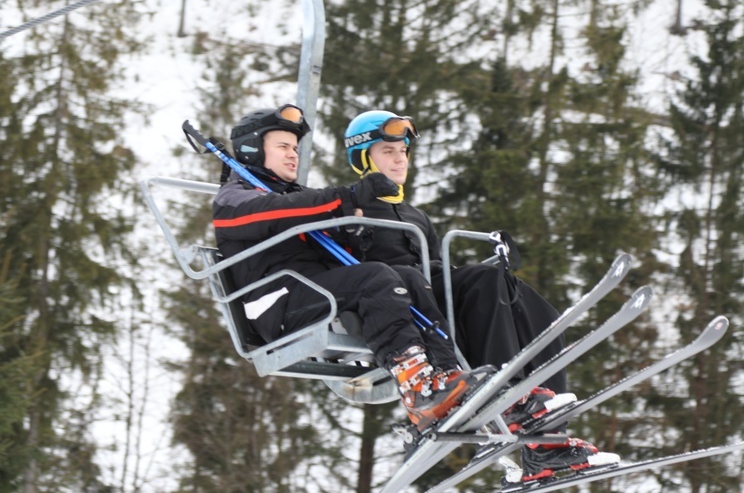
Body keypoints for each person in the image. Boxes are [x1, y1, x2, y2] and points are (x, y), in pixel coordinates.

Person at [341, 110, 620, 482]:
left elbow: (436, 266)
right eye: (388, 151)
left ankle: (548, 442)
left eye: (403, 152)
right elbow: (354, 273)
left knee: (529, 303)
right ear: (364, 158)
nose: (399, 159)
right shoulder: (349, 208)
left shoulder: (415, 215)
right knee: (486, 282)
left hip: (431, 289)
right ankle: (506, 398)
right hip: (402, 301)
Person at [212, 104, 491, 433]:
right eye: (283, 147)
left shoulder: (294, 197)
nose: (293, 155)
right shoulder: (234, 199)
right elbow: (275, 214)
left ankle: (444, 374)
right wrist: (345, 198)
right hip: (278, 305)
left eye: (295, 148)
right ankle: (416, 387)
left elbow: (316, 222)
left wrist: (351, 231)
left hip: (314, 292)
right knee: (375, 278)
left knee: (410, 278)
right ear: (252, 150)